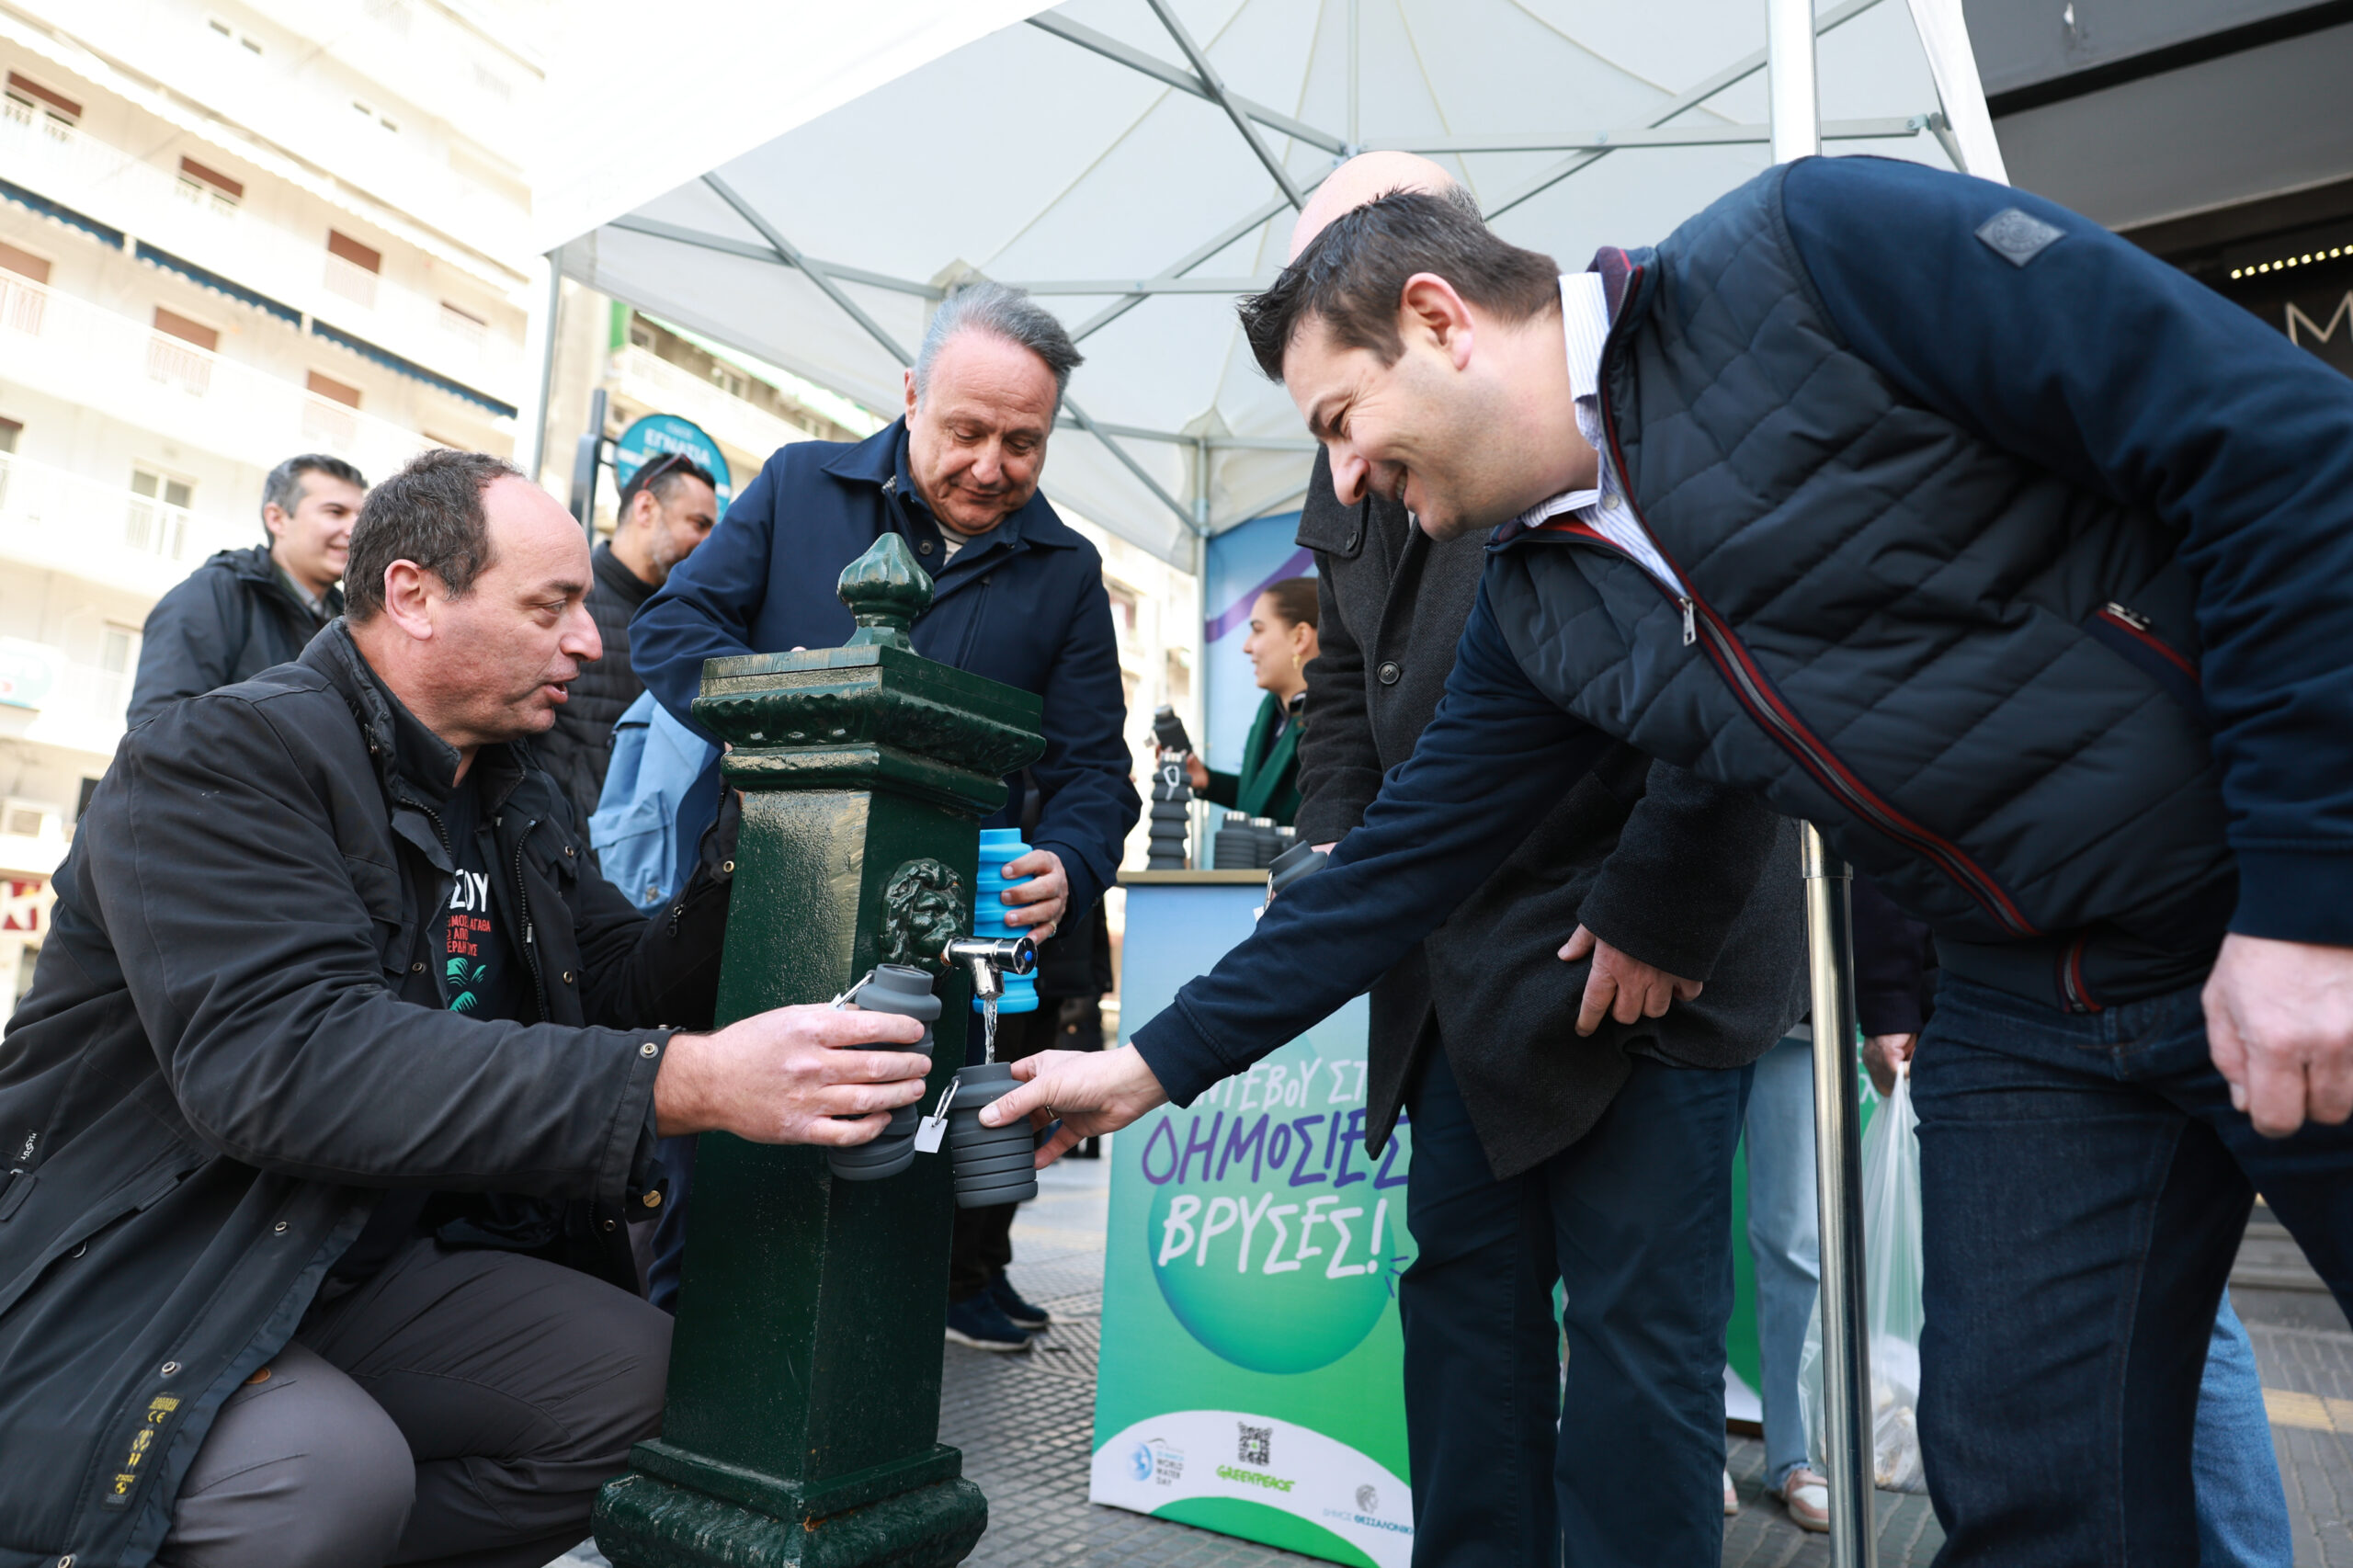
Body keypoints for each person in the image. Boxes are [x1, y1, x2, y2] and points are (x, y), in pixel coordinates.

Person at [987, 156, 2353, 1566]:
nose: (1344, 479)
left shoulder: (1816, 254)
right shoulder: (1540, 605)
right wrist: (1143, 1068)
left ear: (1442, 316)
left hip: (2260, 897)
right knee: (2030, 1502)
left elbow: (2288, 449)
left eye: (1342, 420)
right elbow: (1400, 862)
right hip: (2016, 996)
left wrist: (2309, 900)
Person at [0, 449, 937, 1568]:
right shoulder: (220, 757)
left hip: (361, 1255)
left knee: (651, 1388)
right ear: (413, 596)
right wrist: (691, 1080)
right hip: (167, 1259)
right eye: (550, 607)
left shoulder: (504, 788)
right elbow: (293, 1065)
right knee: (328, 1474)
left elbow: (618, 986)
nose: (589, 643)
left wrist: (764, 829)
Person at [629, 280, 1139, 1346]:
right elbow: (673, 629)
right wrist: (781, 700)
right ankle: (679, 1356)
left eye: (1023, 442)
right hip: (763, 895)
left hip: (943, 940)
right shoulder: (800, 485)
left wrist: (1070, 860)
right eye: (964, 431)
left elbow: (1098, 771)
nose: (990, 466)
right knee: (724, 1175)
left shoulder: (1068, 569)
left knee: (898, 1181)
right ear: (910, 395)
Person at [537, 450, 719, 834]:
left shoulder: (689, 625)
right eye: (698, 524)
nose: (708, 543)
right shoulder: (560, 604)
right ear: (646, 508)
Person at [128, 451, 363, 727]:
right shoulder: (212, 595)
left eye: (361, 516)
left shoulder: (355, 621)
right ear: (276, 519)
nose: (355, 529)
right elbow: (158, 732)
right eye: (335, 512)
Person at [1186, 576, 1320, 824]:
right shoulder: (1272, 709)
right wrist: (1208, 781)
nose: (1247, 646)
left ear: (1300, 637)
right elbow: (1263, 800)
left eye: (1257, 630)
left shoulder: (1335, 718)